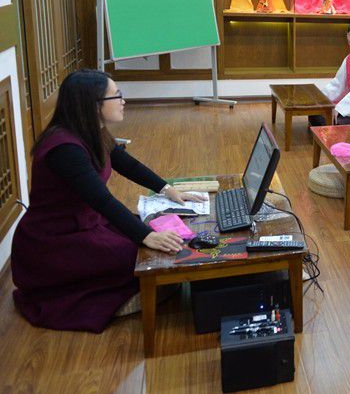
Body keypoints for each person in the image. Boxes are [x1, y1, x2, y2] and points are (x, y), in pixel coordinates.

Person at [10, 70, 205, 332]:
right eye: (117, 95)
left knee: (154, 239)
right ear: (93, 104)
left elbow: (127, 164)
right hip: (54, 241)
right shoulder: (64, 148)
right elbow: (102, 200)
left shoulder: (91, 132)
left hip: (87, 223)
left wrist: (167, 188)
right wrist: (146, 236)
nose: (124, 101)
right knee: (140, 256)